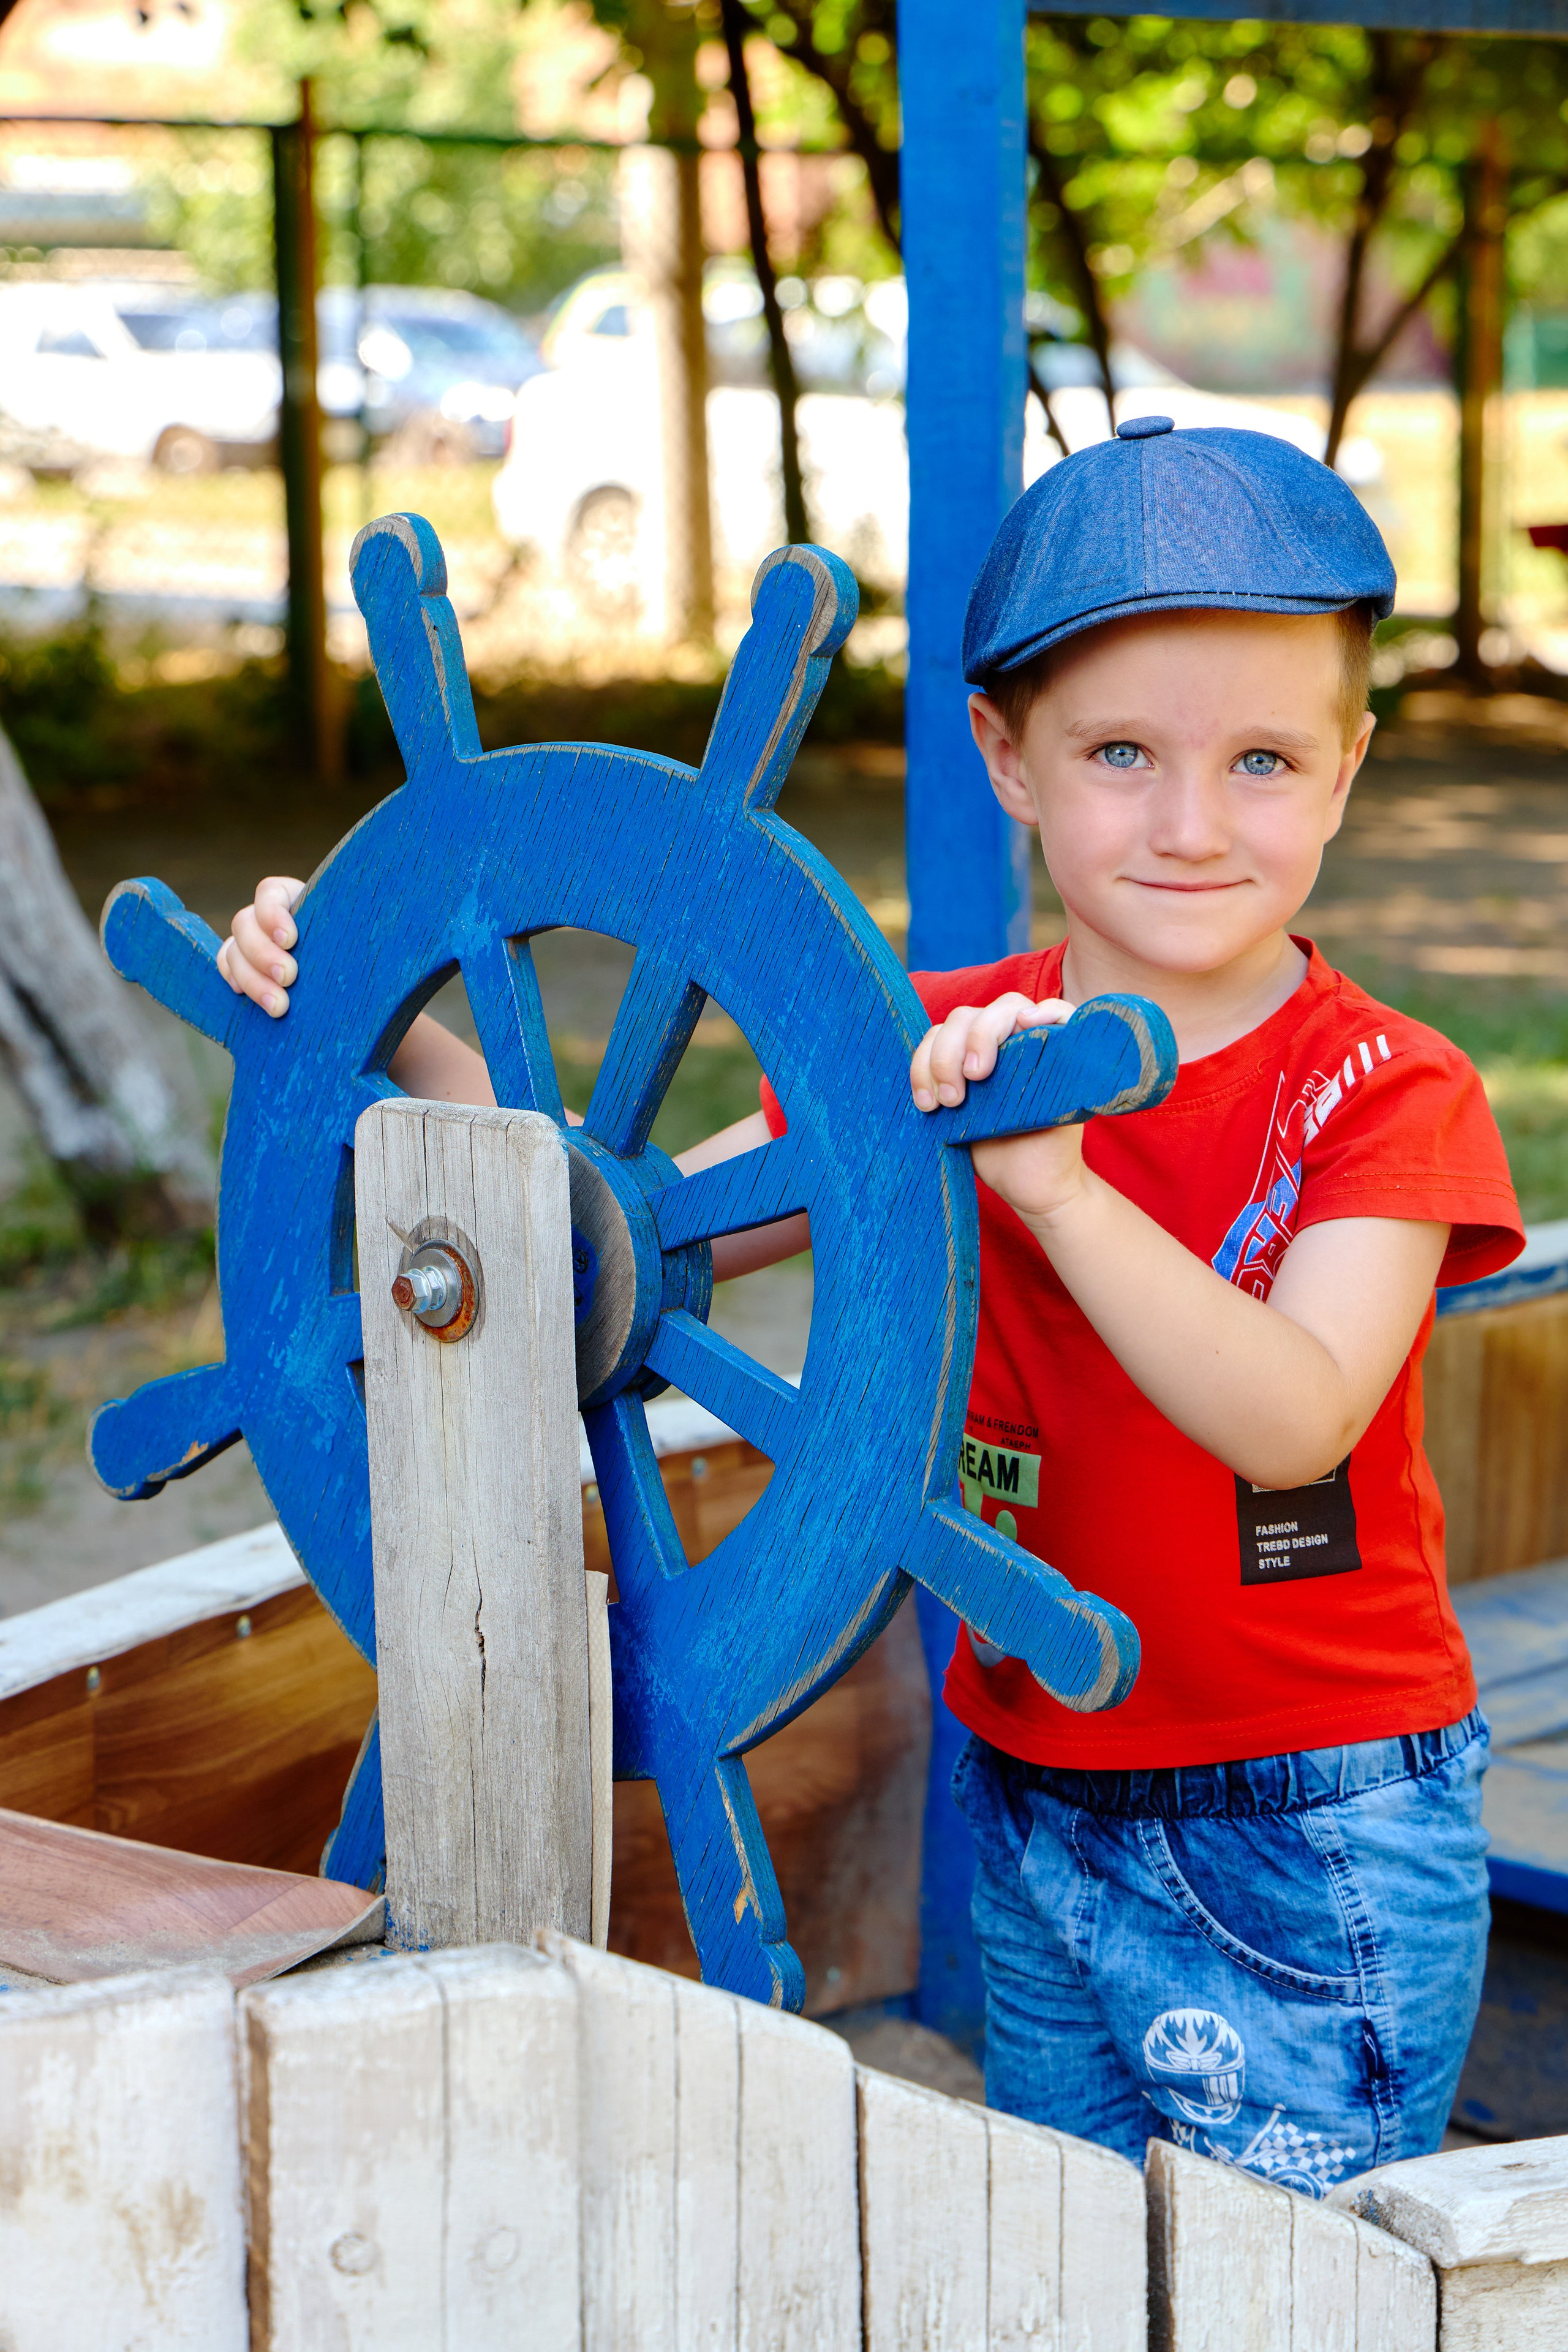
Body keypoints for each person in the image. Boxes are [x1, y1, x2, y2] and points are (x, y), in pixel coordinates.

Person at [221, 418, 1521, 2196]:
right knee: (1079, 2255)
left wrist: (1049, 1179)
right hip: (1035, 1788)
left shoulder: (1390, 1091)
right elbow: (618, 1222)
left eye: (1267, 762)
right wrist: (362, 1010)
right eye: (1123, 753)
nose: (1195, 822)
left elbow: (1295, 1413)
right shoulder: (910, 1046)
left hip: (1312, 1822)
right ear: (1007, 755)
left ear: (1352, 765)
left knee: (1300, 2297)